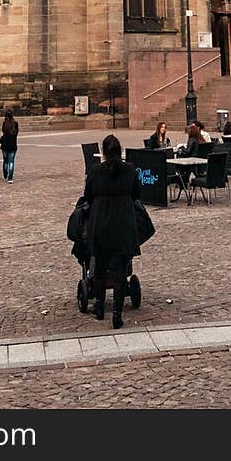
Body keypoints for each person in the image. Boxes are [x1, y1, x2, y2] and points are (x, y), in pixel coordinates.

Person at [82, 133, 141, 328]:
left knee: (99, 268)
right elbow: (136, 194)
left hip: (100, 223)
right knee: (120, 271)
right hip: (123, 222)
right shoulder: (130, 169)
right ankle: (117, 314)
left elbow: (87, 196)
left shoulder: (95, 171)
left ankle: (99, 309)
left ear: (104, 152)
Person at [0, 107, 19, 183]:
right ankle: (10, 178)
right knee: (11, 161)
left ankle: (5, 175)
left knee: (5, 161)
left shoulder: (5, 123)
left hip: (5, 145)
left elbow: (3, 132)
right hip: (13, 145)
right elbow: (16, 133)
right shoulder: (15, 123)